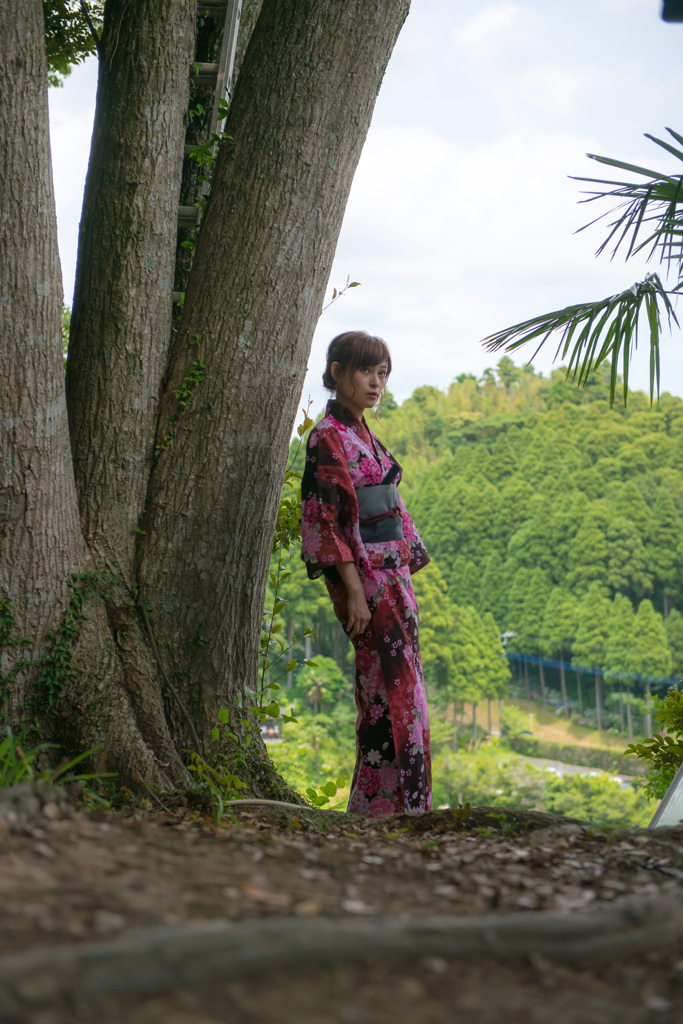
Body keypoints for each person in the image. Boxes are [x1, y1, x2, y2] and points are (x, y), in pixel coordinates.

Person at [300, 330, 432, 817]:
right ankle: (387, 813)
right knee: (386, 696)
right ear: (337, 372)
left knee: (404, 696)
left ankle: (394, 809)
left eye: (382, 374)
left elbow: (391, 510)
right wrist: (353, 593)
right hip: (370, 585)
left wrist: (402, 571)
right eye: (365, 371)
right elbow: (325, 520)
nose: (376, 383)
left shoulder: (365, 436)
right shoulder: (327, 437)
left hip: (395, 582)